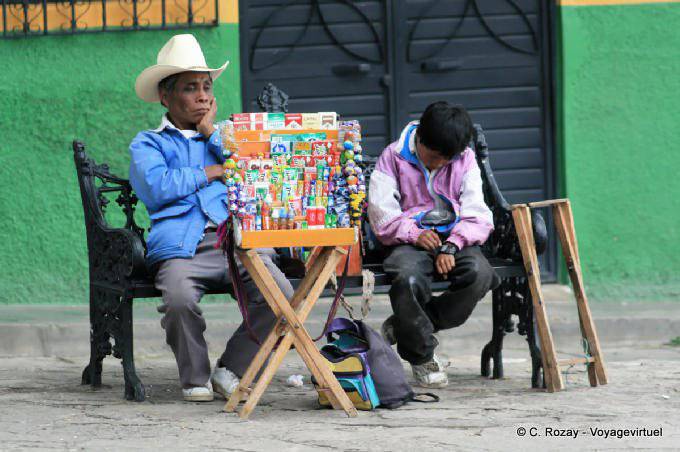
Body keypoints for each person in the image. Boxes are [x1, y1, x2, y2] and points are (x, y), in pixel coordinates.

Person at [129, 34, 293, 402]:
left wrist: (210, 134)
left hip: (236, 240)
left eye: (206, 87)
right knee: (178, 298)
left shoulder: (224, 139)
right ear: (165, 97)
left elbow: (252, 172)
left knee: (282, 295)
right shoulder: (148, 143)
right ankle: (195, 378)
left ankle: (231, 369)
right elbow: (156, 187)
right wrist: (211, 172)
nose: (203, 96)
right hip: (182, 245)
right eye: (191, 88)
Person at [367, 102, 500, 388]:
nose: (440, 164)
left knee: (481, 275)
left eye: (446, 160)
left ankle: (406, 327)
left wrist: (453, 245)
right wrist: (414, 233)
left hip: (456, 237)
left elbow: (477, 212)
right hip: (405, 241)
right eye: (435, 156)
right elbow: (382, 215)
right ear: (420, 140)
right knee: (407, 277)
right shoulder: (392, 157)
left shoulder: (464, 159)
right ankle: (422, 356)